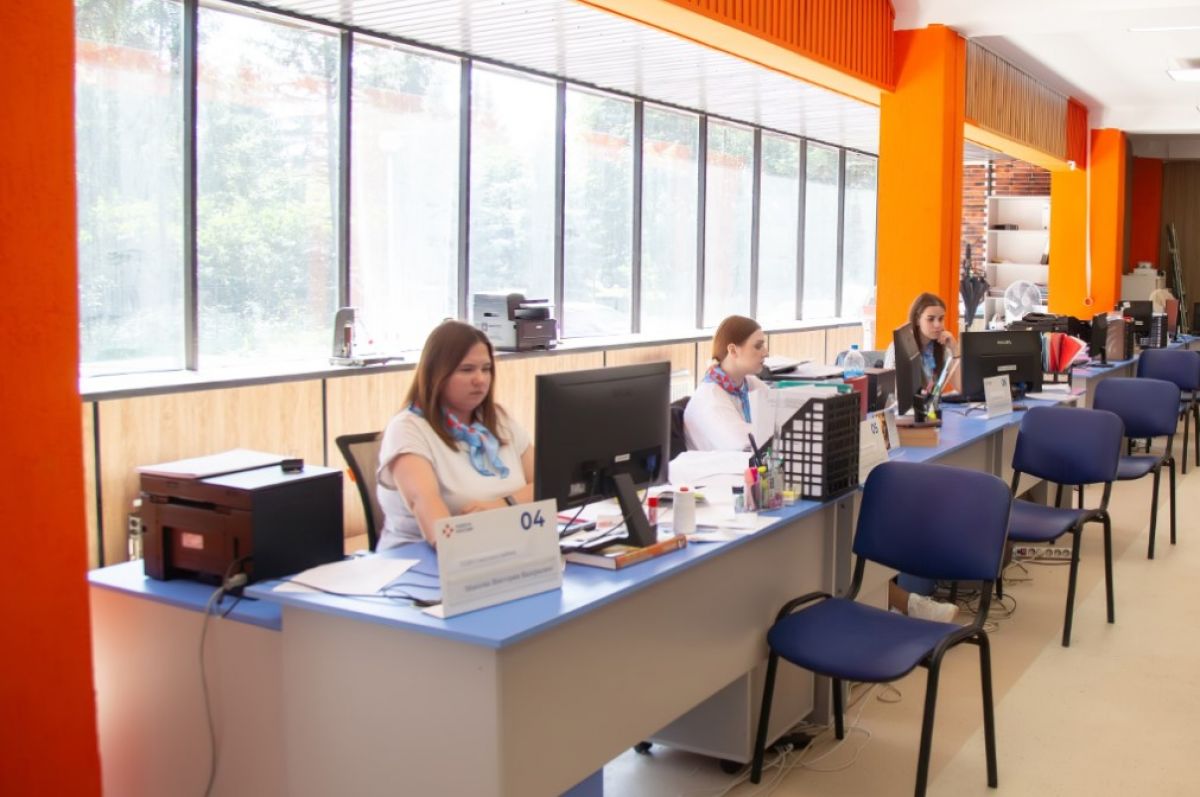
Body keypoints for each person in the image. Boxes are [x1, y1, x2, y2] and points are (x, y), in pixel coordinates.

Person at [376, 321, 533, 549]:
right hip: (425, 557)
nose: (480, 379)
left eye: (486, 369)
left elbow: (545, 486)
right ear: (436, 374)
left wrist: (501, 506)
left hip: (503, 545)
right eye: (466, 370)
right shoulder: (407, 429)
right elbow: (431, 516)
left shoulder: (499, 419)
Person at [684, 315, 769, 451]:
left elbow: (780, 418)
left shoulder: (750, 383)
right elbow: (743, 445)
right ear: (733, 350)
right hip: (722, 463)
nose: (766, 353)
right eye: (758, 346)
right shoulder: (710, 397)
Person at [884, 292, 962, 394]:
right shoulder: (898, 348)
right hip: (910, 404)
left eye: (941, 319)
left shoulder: (942, 349)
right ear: (917, 320)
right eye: (930, 319)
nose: (937, 325)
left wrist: (955, 349)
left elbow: (961, 388)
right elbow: (892, 393)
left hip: (932, 404)